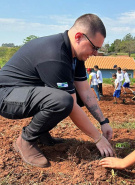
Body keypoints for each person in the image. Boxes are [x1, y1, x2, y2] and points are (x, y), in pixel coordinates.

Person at [0, 14, 114, 168]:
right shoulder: (55, 55)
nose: (95, 53)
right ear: (79, 37)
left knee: (69, 97)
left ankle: (41, 133)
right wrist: (98, 138)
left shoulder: (76, 55)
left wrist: (103, 122)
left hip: (28, 92)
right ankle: (26, 140)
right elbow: (71, 105)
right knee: (63, 101)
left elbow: (85, 90)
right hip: (7, 96)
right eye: (95, 47)